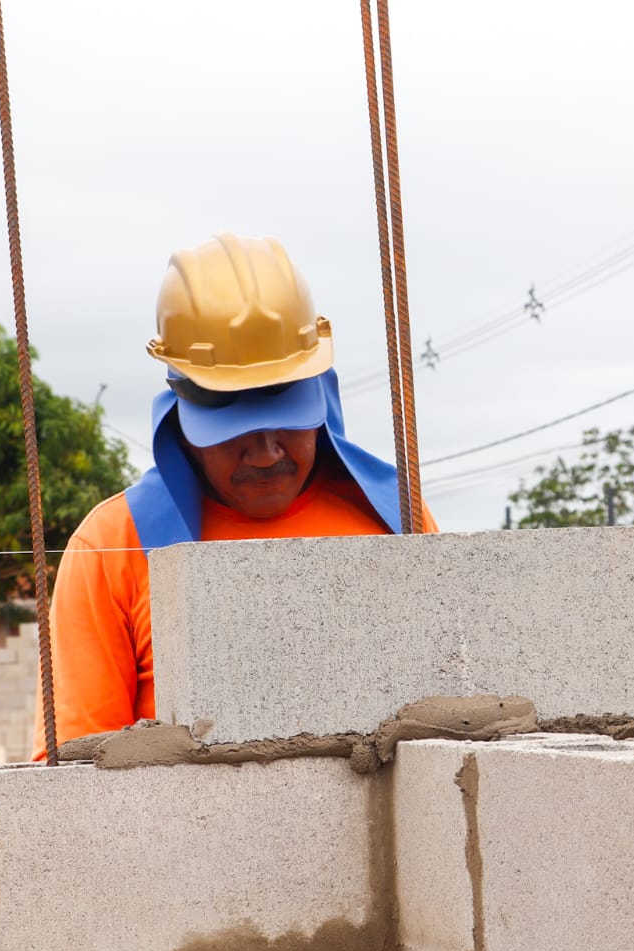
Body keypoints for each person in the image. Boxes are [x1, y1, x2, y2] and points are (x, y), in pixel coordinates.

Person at [40, 234, 431, 751]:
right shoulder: (115, 544)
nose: (267, 453)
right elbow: (76, 770)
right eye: (234, 430)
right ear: (182, 409)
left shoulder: (397, 519)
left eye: (286, 421)